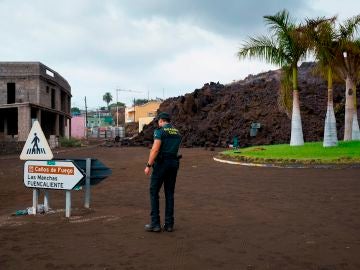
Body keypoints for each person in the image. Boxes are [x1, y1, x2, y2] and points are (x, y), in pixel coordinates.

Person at [144, 112, 182, 232]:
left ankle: (155, 224)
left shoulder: (159, 132)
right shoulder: (177, 133)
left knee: (154, 192)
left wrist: (148, 165)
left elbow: (155, 149)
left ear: (161, 121)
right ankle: (169, 224)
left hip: (161, 164)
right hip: (174, 164)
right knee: (169, 193)